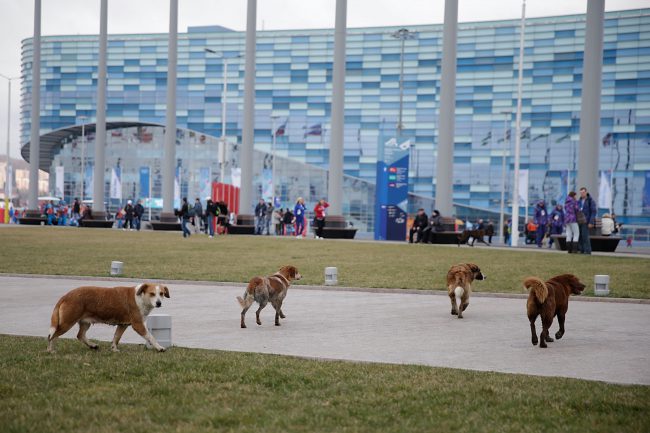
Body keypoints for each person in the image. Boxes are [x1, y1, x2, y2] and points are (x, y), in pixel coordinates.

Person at [578, 187, 597, 254]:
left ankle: (587, 250)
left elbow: (593, 212)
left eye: (583, 192)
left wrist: (591, 222)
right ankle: (581, 249)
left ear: (586, 192)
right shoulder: (579, 201)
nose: (582, 194)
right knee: (580, 236)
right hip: (579, 221)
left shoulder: (590, 201)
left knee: (585, 235)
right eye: (581, 193)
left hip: (586, 221)